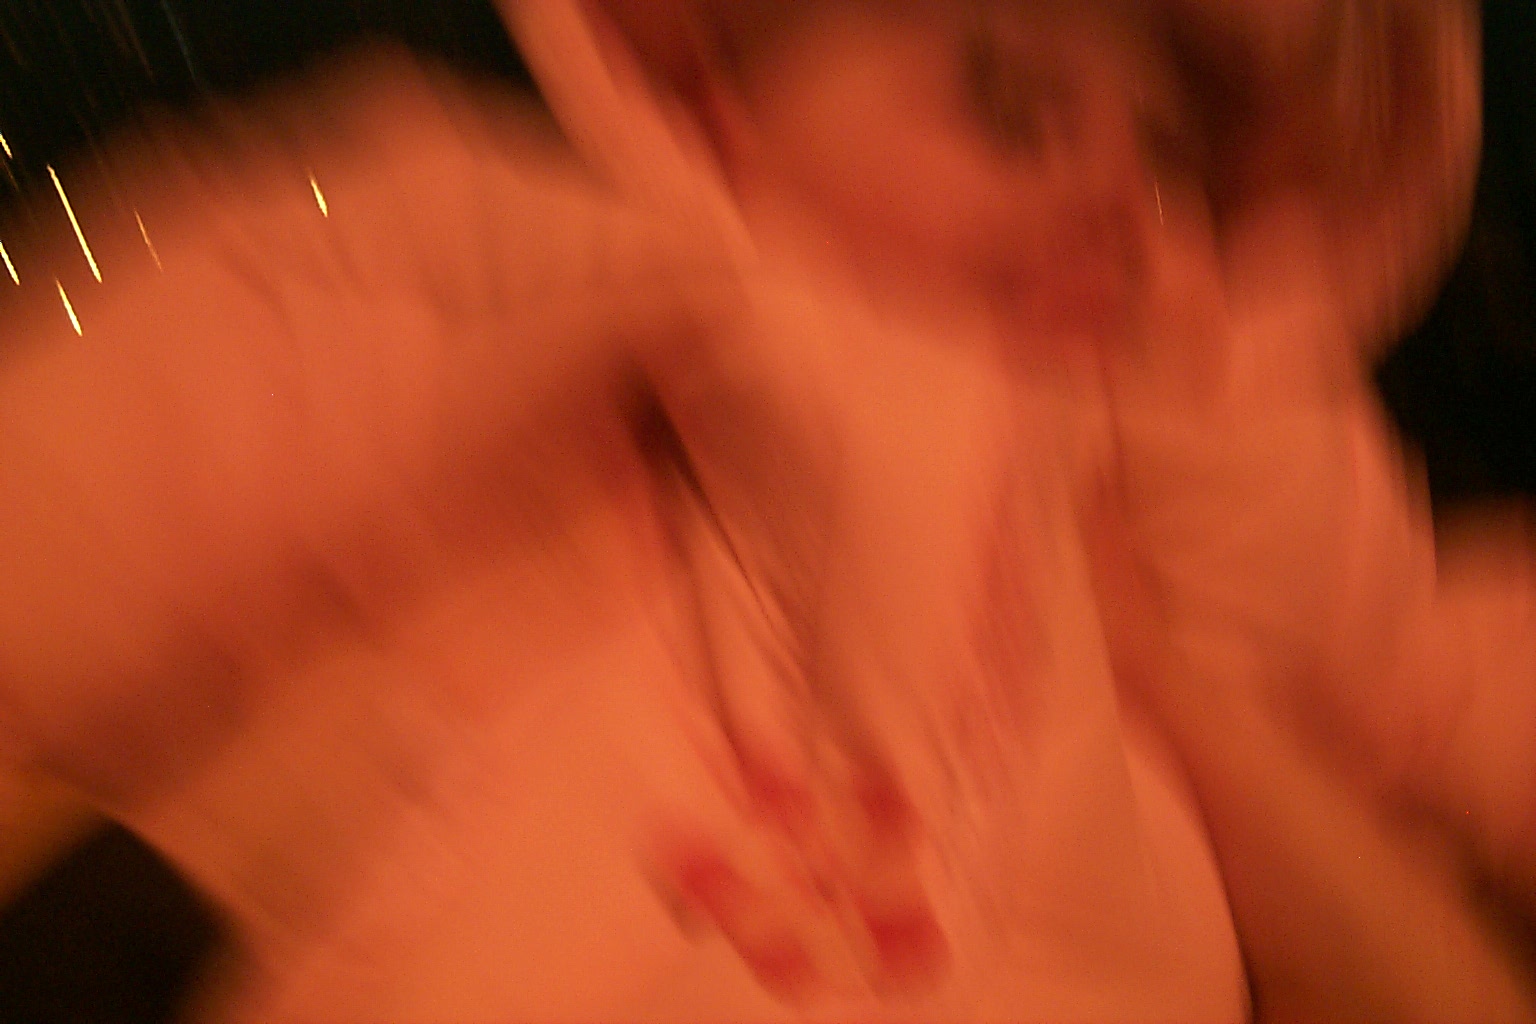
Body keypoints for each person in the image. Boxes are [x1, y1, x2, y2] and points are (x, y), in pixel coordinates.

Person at [0, 1, 1528, 1021]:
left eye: (1176, 164)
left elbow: (1409, 657)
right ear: (722, 102)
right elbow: (204, 412)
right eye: (1011, 101)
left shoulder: (1199, 466)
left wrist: (1222, 413)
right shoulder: (593, 267)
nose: (1117, 196)